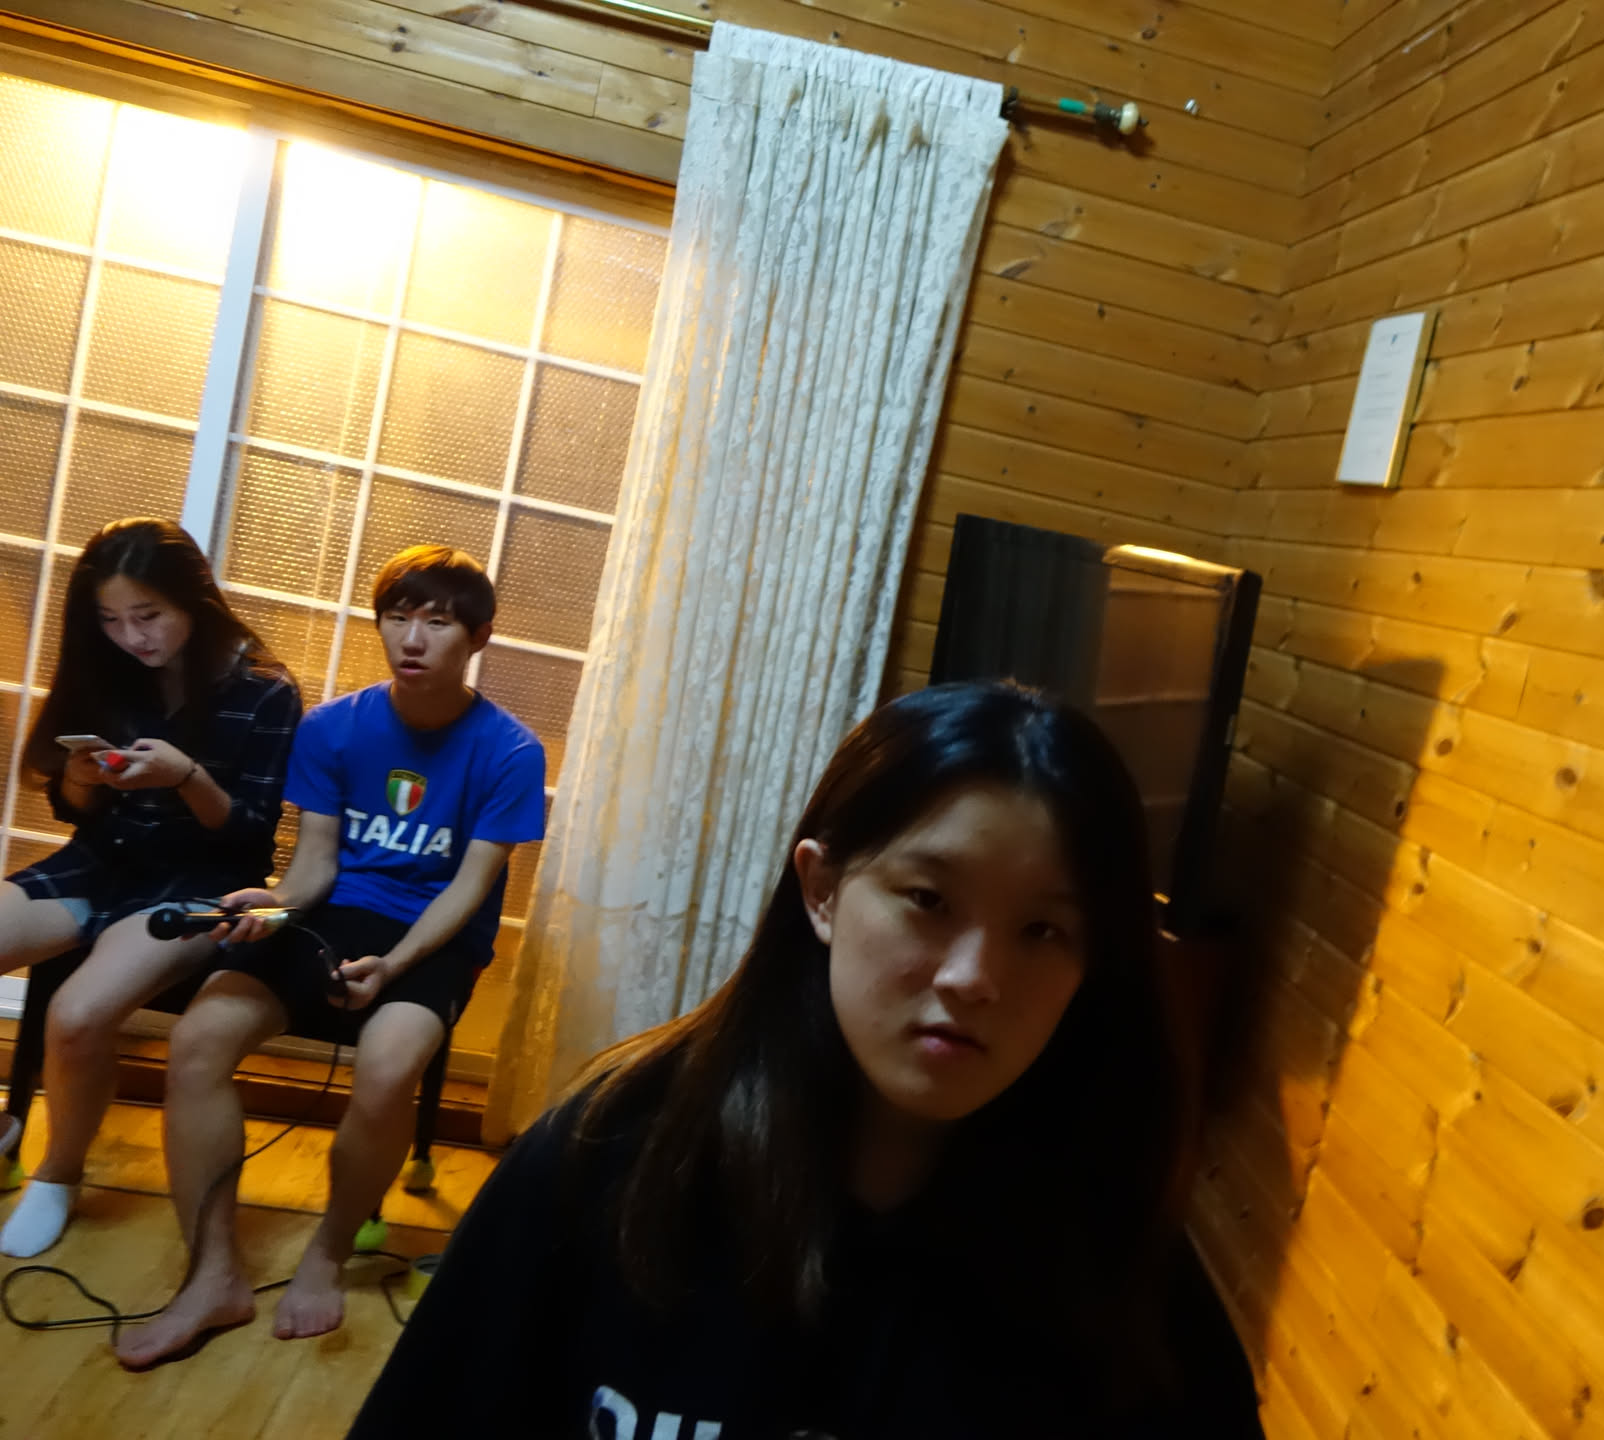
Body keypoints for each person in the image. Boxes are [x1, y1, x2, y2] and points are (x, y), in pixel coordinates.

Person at [345, 681, 1264, 1438]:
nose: (974, 977)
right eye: (928, 900)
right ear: (822, 889)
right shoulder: (609, 1163)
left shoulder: (1121, 1280)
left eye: (1043, 930)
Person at [114, 544, 546, 1369]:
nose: (411, 638)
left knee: (386, 1069)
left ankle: (327, 1253)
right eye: (397, 617)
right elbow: (313, 868)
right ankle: (212, 1274)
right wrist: (273, 905)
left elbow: (468, 890)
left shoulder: (512, 753)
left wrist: (395, 966)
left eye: (437, 622)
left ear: (478, 636)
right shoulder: (333, 728)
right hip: (334, 914)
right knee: (198, 1041)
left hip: (433, 936)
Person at [0, 518, 300, 1259]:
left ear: (193, 599)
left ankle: (57, 1172)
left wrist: (187, 776)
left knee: (77, 1015)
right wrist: (82, 779)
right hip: (102, 860)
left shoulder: (265, 690)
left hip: (203, 882)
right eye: (110, 619)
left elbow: (251, 838)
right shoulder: (107, 669)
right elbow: (74, 810)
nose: (131, 637)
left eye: (148, 615)